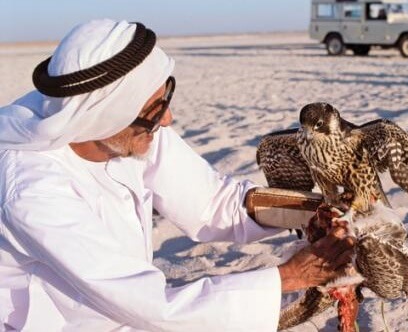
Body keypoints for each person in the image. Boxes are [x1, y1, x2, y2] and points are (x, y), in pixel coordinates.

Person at [0, 19, 355, 331]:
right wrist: (292, 275)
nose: (167, 120)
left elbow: (213, 201)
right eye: (155, 110)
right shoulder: (33, 190)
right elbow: (153, 306)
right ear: (105, 117)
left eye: (165, 99)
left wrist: (319, 209)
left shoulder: (132, 129)